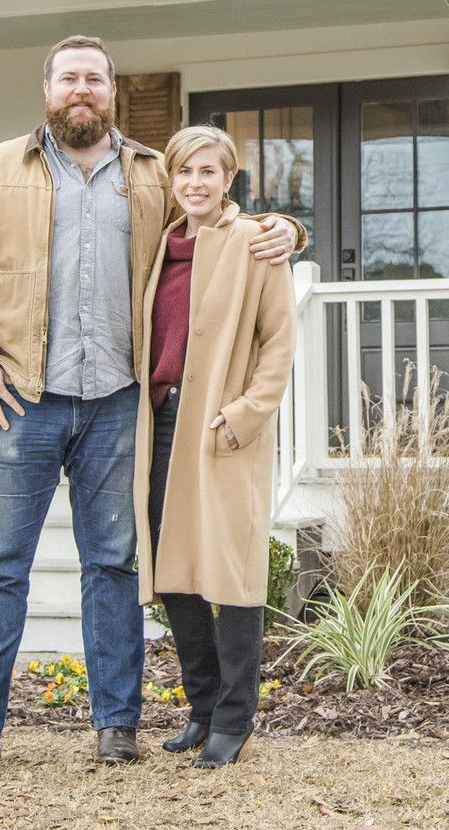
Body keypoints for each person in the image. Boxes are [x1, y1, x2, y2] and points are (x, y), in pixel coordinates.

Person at [0, 36, 301, 782]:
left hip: (118, 404)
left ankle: (116, 725)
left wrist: (287, 230)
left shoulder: (150, 175)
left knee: (113, 566)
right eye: (68, 77)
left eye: (94, 78)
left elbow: (216, 212)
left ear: (113, 91)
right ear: (46, 89)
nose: (81, 89)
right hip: (21, 402)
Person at [137, 125, 295, 768]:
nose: (195, 183)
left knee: (230, 573)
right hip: (159, 423)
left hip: (220, 426)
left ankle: (235, 718)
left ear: (228, 180)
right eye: (184, 172)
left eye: (209, 172)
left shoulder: (256, 241)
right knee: (175, 573)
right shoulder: (158, 249)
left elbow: (278, 343)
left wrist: (245, 416)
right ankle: (201, 708)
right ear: (171, 181)